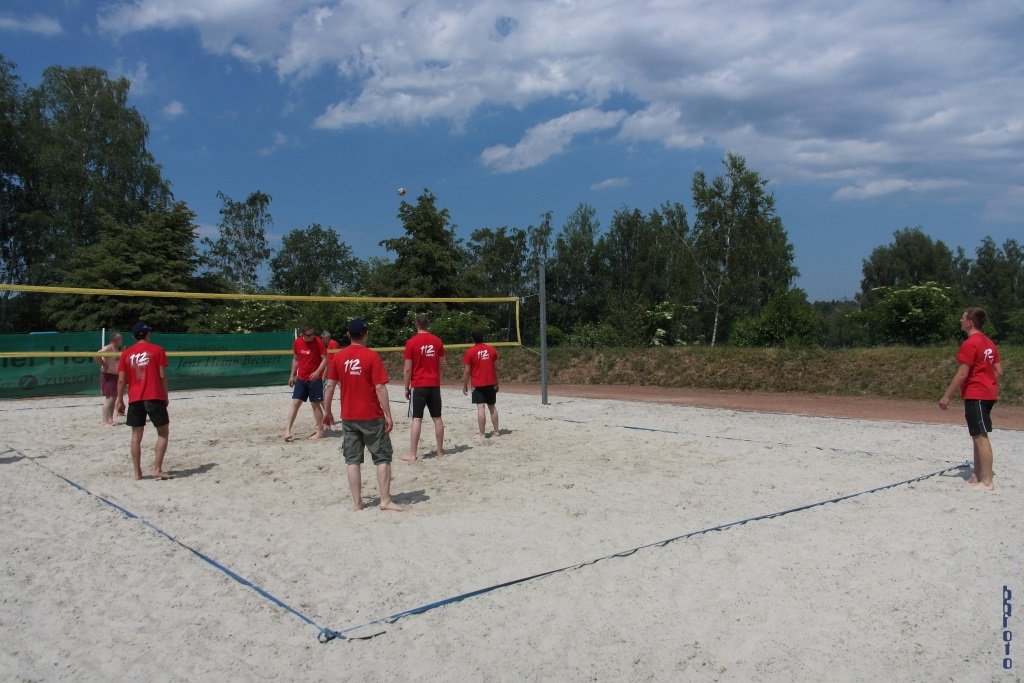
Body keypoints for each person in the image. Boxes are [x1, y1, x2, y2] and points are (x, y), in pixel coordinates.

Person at [323, 318, 402, 512]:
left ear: (348, 335)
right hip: (371, 415)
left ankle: (357, 502)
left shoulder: (339, 357)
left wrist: (327, 411)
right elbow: (380, 387)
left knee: (352, 460)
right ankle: (385, 500)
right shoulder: (371, 356)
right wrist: (388, 414)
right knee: (382, 457)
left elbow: (330, 386)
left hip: (349, 417)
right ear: (366, 334)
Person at [939, 307, 1003, 491]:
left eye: (962, 318)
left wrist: (947, 396)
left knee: (981, 437)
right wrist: (988, 381)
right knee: (976, 434)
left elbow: (962, 374)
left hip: (977, 394)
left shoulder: (970, 343)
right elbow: (999, 371)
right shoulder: (989, 342)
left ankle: (987, 481)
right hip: (987, 393)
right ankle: (977, 474)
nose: (960, 321)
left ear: (969, 323)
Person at [115, 322, 172, 480]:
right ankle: (157, 469)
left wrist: (120, 400)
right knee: (163, 433)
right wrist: (165, 395)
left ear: (134, 336)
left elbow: (121, 380)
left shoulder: (126, 353)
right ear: (147, 334)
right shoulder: (157, 350)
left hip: (135, 398)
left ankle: (137, 473)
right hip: (154, 396)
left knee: (136, 436)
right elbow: (162, 375)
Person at [402, 313, 445, 461]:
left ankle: (413, 454)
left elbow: (408, 369)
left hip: (418, 385)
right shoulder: (437, 341)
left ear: (416, 324)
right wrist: (438, 380)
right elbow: (442, 365)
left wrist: (406, 387)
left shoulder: (411, 342)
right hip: (434, 384)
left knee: (417, 419)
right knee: (437, 418)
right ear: (428, 324)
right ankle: (440, 452)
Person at [285, 324, 328, 442]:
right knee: (295, 403)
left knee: (315, 404)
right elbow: (296, 359)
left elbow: (324, 359)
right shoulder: (298, 342)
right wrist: (292, 375)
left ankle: (319, 431)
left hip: (315, 378)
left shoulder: (318, 341)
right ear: (302, 335)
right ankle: (287, 430)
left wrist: (318, 372)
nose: (312, 336)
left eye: (313, 333)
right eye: (309, 335)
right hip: (301, 378)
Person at [462, 331, 501, 439]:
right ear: (483, 338)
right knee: (492, 407)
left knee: (481, 407)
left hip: (478, 384)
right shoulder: (492, 350)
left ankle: (482, 433)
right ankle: (496, 431)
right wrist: (497, 382)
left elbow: (467, 371)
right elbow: (496, 368)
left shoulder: (470, 352)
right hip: (491, 382)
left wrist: (465, 384)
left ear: (473, 339)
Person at [93, 332, 123, 426]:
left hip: (115, 375)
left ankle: (110, 419)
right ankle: (104, 420)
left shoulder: (116, 349)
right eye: (120, 339)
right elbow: (96, 355)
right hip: (108, 375)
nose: (121, 341)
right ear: (115, 340)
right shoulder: (108, 348)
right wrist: (103, 364)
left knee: (113, 398)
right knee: (109, 398)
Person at [321, 330, 341, 431]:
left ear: (327, 338)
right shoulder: (326, 345)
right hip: (330, 372)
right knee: (325, 395)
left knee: (328, 395)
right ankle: (330, 418)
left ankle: (330, 418)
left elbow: (335, 359)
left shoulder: (333, 343)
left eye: (323, 338)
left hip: (335, 371)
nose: (322, 340)